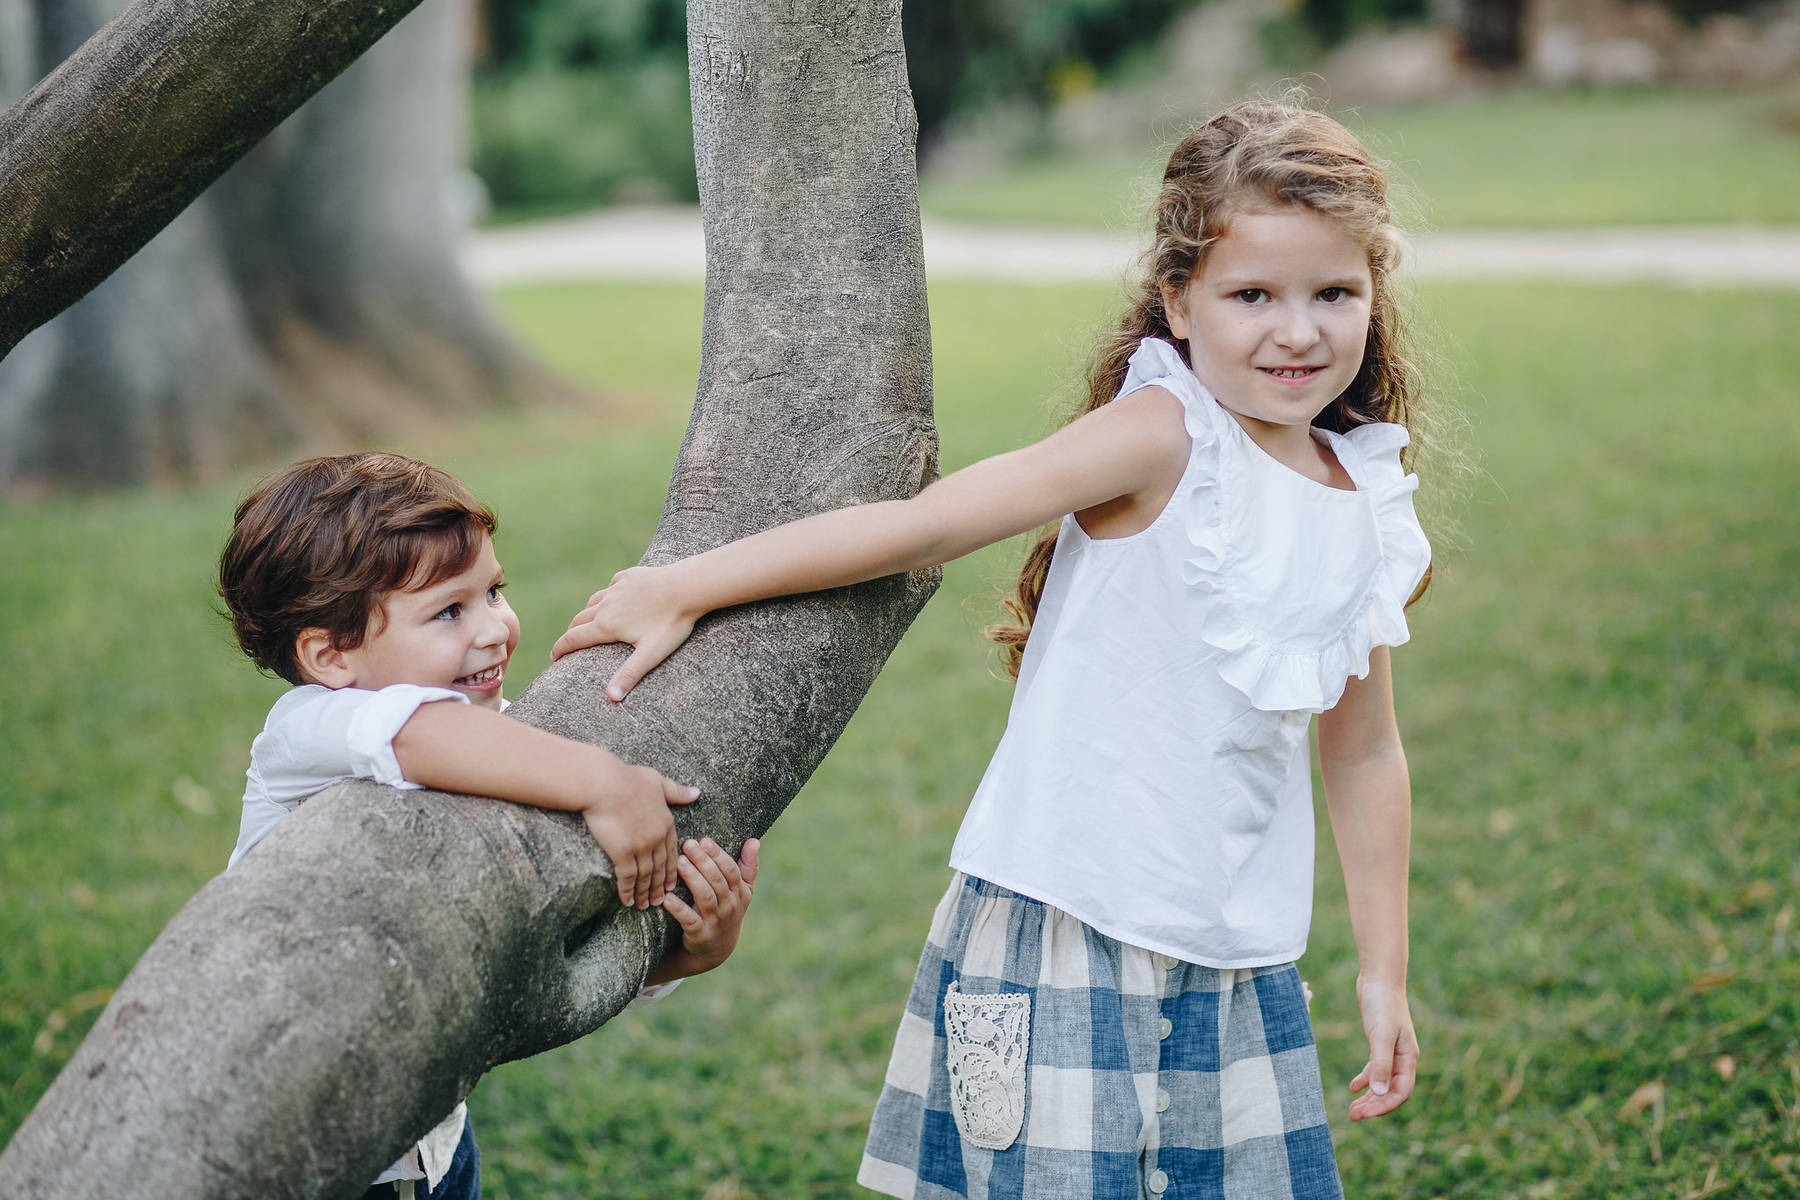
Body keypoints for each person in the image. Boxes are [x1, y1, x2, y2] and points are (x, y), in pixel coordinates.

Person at [554, 97, 1435, 1199]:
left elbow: (1363, 752)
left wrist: (1384, 974)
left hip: (1235, 959)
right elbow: (930, 522)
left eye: (1333, 294)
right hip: (1067, 926)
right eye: (1251, 294)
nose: (1296, 331)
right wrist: (687, 584)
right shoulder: (1161, 436)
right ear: (1178, 300)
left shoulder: (1364, 500)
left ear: (1372, 295)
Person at [219, 451, 760, 1200]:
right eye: (449, 610)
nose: (495, 629)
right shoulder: (305, 732)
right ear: (330, 655)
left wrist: (682, 956)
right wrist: (603, 779)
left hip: (432, 1152)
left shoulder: (507, 744)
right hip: (290, 1158)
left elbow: (541, 955)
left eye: (493, 592)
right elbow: (416, 734)